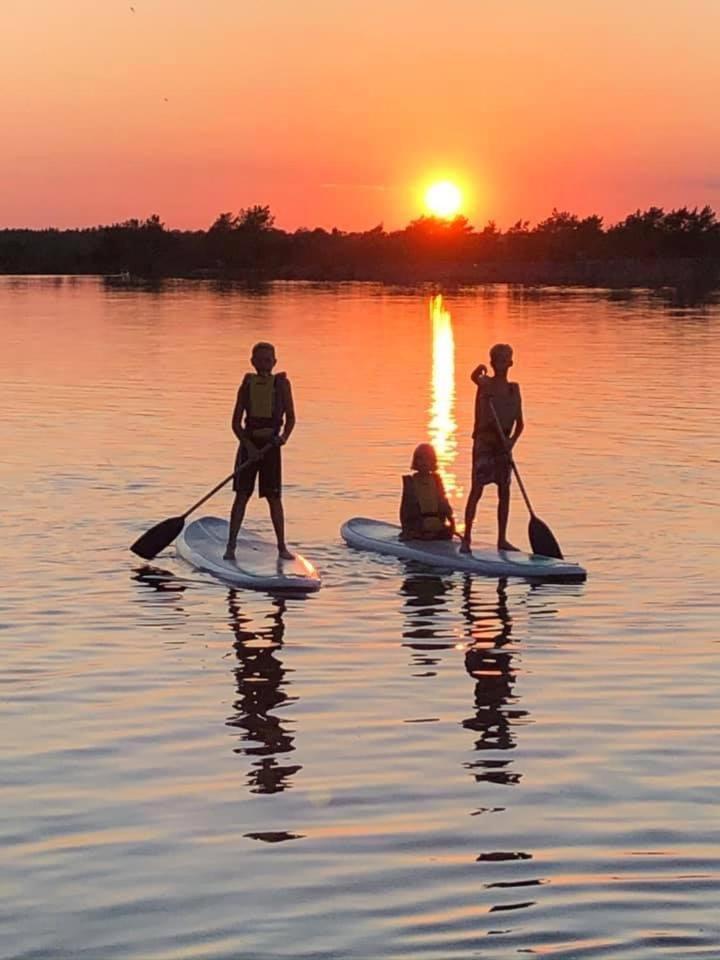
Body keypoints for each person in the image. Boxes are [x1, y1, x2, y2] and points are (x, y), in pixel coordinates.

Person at [224, 342, 295, 561]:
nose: (265, 364)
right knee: (242, 496)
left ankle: (282, 547)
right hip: (249, 446)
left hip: (271, 448)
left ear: (274, 362)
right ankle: (230, 547)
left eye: (268, 360)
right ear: (253, 362)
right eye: (260, 360)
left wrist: (282, 438)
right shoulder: (246, 385)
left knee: (274, 498)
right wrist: (249, 447)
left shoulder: (281, 385)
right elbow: (235, 424)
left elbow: (291, 418)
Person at [460, 343, 524, 554]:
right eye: (498, 360)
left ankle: (502, 539)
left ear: (511, 363)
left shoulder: (514, 389)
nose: (502, 364)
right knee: (477, 489)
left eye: (505, 360)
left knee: (504, 492)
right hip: (485, 445)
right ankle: (466, 537)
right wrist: (477, 371)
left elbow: (520, 424)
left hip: (504, 447)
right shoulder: (485, 385)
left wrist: (511, 442)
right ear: (493, 363)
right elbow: (474, 377)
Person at [399, 443, 455, 540]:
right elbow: (405, 510)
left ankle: (434, 534)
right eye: (421, 459)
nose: (424, 462)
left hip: (437, 527)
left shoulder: (437, 481)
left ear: (432, 462)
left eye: (428, 459)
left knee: (442, 533)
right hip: (418, 527)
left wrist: (452, 523)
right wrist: (407, 530)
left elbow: (444, 504)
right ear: (415, 461)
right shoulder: (411, 482)